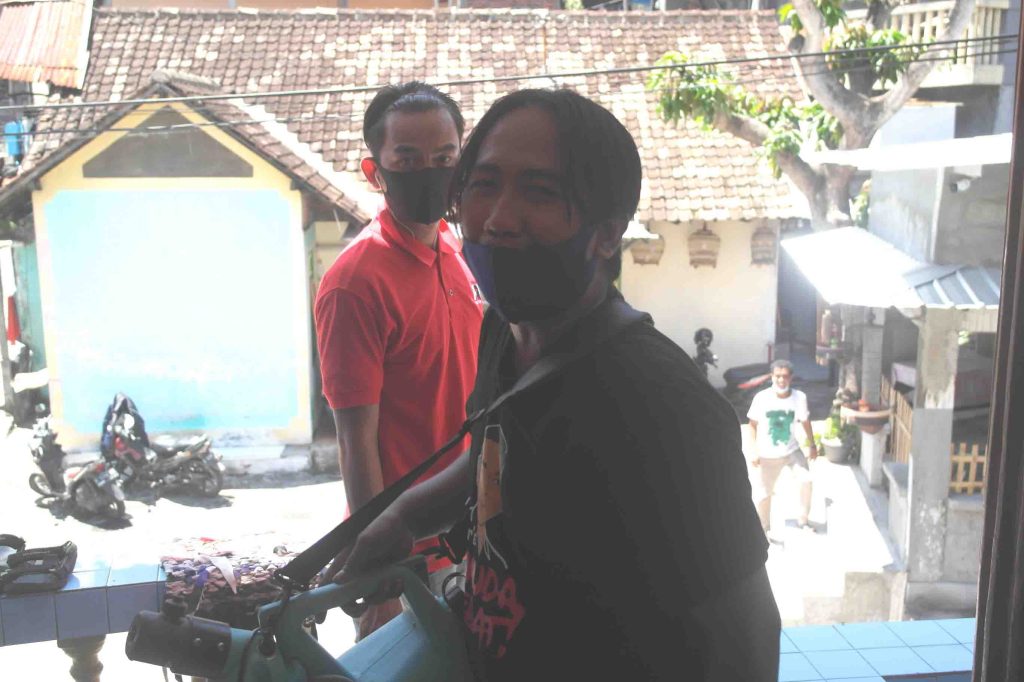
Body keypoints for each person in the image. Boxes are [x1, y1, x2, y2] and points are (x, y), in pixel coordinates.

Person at [331, 88, 780, 681]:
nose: (498, 219)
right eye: (483, 185)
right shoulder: (503, 331)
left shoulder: (662, 404)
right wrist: (405, 517)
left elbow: (748, 639)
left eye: (539, 193)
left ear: (606, 232)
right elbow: (495, 456)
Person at [313, 82, 483, 640]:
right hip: (402, 555)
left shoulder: (455, 252)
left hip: (467, 534)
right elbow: (354, 439)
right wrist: (379, 565)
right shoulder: (356, 282)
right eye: (408, 160)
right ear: (375, 172)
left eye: (444, 158)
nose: (429, 173)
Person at [748, 359, 818, 536]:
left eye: (785, 376)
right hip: (767, 454)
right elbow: (752, 424)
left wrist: (812, 444)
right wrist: (754, 450)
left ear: (791, 378)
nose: (781, 380)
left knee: (806, 480)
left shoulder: (799, 398)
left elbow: (805, 421)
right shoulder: (762, 398)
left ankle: (803, 521)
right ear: (771, 376)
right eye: (777, 376)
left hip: (791, 451)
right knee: (763, 494)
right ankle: (763, 529)